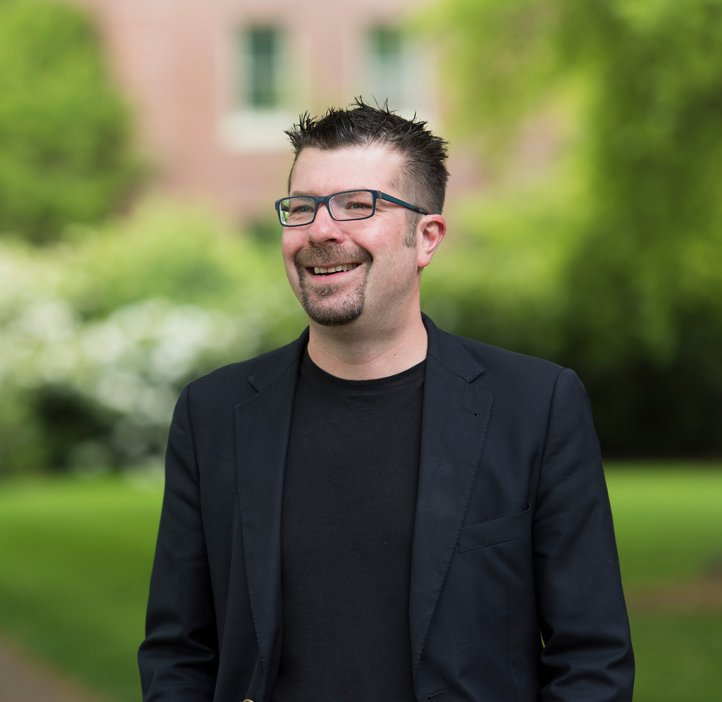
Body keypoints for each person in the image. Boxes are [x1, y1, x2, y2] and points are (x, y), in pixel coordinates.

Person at [138, 99, 634, 702]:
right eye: (301, 208)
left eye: (357, 205)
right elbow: (177, 653)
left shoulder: (536, 407)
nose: (321, 231)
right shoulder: (211, 413)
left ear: (426, 237)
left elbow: (593, 660)